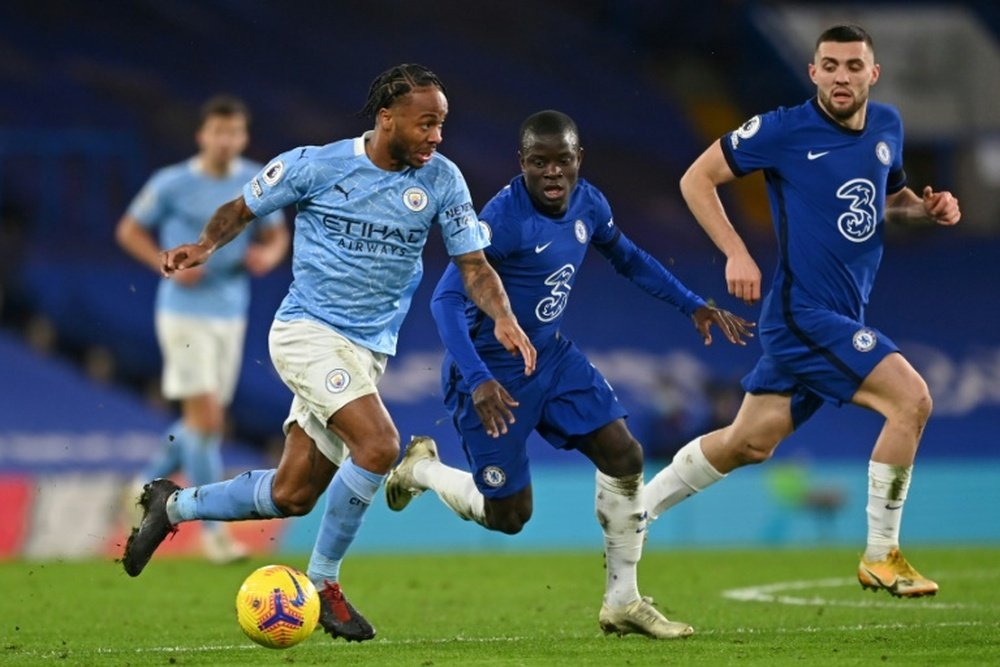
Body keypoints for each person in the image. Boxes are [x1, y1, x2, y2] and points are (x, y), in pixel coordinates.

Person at [121, 64, 537, 643]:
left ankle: (173, 506)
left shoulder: (442, 180)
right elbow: (241, 208)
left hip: (366, 352)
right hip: (305, 333)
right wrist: (204, 245)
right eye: (426, 124)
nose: (437, 137)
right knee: (379, 444)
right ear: (386, 118)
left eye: (441, 124)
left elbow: (473, 266)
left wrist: (504, 315)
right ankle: (322, 585)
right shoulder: (316, 164)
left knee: (293, 493)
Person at [384, 110, 753, 639]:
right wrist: (478, 377)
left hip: (552, 359)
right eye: (540, 163)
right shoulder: (502, 220)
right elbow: (445, 299)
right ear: (523, 164)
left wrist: (693, 304)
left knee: (624, 453)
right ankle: (421, 469)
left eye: (562, 161)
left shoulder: (590, 203)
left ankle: (622, 601)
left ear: (579, 159)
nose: (552, 173)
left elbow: (628, 258)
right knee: (509, 517)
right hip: (491, 374)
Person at [642, 25, 960, 600]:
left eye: (853, 66)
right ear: (813, 72)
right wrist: (736, 251)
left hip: (843, 314)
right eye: (830, 66)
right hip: (802, 315)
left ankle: (633, 513)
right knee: (911, 399)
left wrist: (928, 209)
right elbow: (697, 179)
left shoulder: (887, 126)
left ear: (873, 74)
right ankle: (881, 555)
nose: (842, 76)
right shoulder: (784, 129)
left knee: (748, 442)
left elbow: (886, 201)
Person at [115, 95, 289, 564]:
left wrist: (267, 256)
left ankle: (145, 482)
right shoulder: (172, 182)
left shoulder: (254, 182)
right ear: (202, 136)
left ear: (244, 137)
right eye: (219, 132)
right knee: (209, 421)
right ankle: (214, 536)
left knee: (200, 422)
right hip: (182, 311)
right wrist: (161, 262)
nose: (226, 140)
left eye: (235, 132)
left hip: (231, 313)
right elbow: (129, 229)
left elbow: (277, 236)